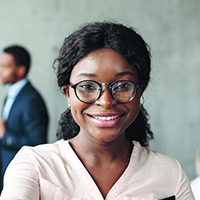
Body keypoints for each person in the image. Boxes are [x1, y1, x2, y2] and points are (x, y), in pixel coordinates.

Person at [0, 22, 194, 199]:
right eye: (87, 86)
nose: (106, 101)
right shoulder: (34, 166)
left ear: (139, 91)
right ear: (68, 94)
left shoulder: (171, 174)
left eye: (122, 85)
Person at [0, 45, 49, 190]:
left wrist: (4, 134)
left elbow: (37, 142)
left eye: (5, 66)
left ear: (20, 70)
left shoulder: (31, 100)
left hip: (20, 176)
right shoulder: (12, 93)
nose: (0, 71)